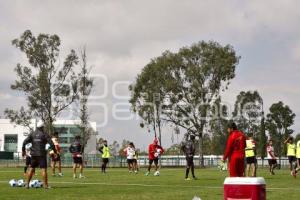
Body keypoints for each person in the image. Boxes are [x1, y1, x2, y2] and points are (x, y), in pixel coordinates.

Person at [22, 121, 57, 189]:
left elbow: (24, 142)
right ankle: (46, 186)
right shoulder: (44, 134)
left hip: (33, 154)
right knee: (43, 170)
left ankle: (27, 185)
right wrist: (55, 152)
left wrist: (23, 150)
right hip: (41, 154)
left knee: (31, 169)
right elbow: (52, 144)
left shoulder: (32, 133)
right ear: (42, 127)